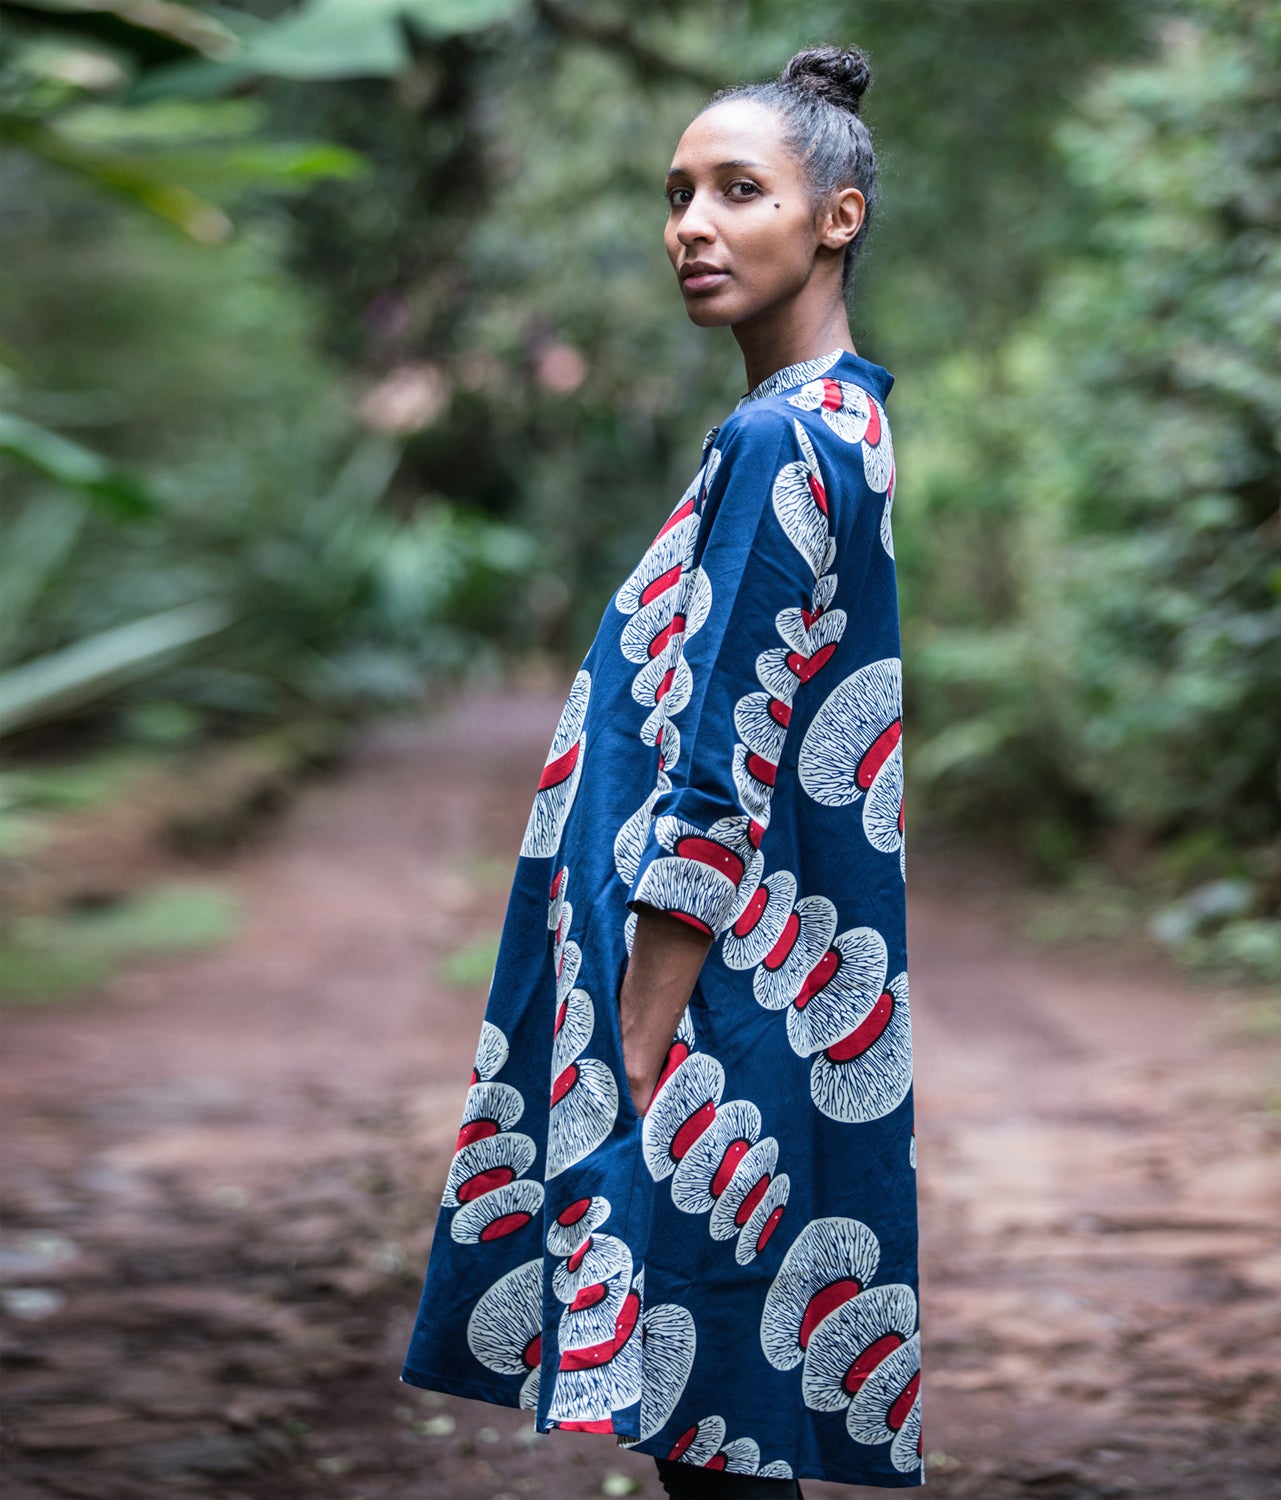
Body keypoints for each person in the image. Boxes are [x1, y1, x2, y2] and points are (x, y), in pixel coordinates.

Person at [400, 44, 921, 1498]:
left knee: (713, 1412)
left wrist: (636, 1033)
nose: (692, 223)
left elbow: (724, 764)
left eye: (738, 190)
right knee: (726, 1401)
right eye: (678, 193)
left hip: (703, 1001)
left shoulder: (779, 441)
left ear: (838, 216)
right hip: (754, 984)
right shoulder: (840, 420)